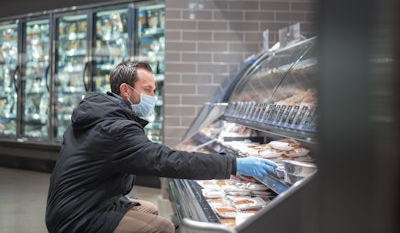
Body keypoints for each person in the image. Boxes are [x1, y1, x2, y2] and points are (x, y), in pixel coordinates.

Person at [45, 60, 277, 233]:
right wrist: (234, 164)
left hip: (78, 205)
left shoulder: (99, 114)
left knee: (150, 209)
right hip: (77, 218)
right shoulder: (115, 128)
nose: (154, 96)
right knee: (163, 228)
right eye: (148, 90)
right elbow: (165, 160)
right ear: (126, 90)